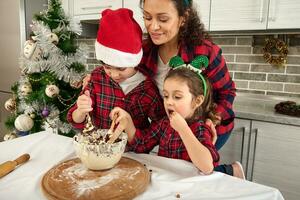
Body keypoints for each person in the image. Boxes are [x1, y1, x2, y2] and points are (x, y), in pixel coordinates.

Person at [134, 0, 244, 178]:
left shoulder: (205, 51)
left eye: (162, 19)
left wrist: (211, 120)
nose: (153, 26)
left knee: (196, 169)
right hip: (170, 126)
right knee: (177, 170)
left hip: (204, 124)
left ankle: (230, 171)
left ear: (183, 18)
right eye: (147, 17)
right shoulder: (143, 52)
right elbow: (122, 71)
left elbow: (227, 92)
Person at [110, 56, 219, 174]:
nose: (169, 102)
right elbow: (141, 145)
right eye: (166, 96)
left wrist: (183, 130)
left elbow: (207, 167)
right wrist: (127, 119)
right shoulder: (164, 124)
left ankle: (232, 169)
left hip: (189, 185)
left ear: (197, 101)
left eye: (177, 97)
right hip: (168, 181)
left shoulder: (201, 128)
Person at [67, 8, 165, 132]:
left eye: (121, 68)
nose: (114, 74)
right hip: (98, 148)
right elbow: (75, 120)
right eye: (107, 67)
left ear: (135, 61)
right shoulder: (96, 78)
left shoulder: (147, 87)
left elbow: (161, 125)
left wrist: (140, 140)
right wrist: (80, 110)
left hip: (132, 151)